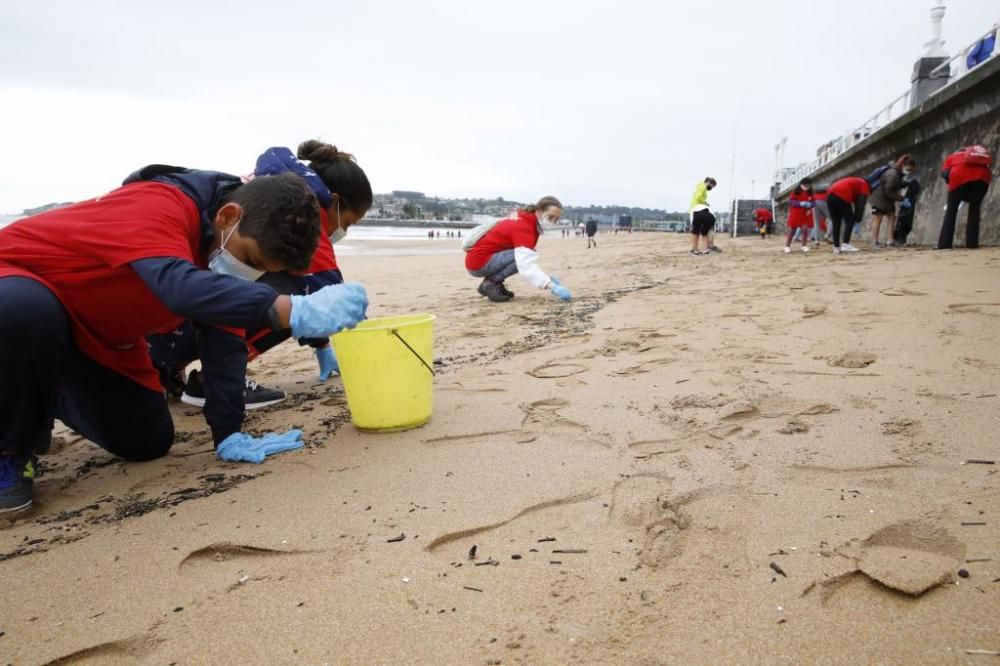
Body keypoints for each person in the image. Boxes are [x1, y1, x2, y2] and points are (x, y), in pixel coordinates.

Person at [0, 170, 369, 513]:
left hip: (101, 344)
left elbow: (224, 342)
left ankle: (39, 396)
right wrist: (286, 308)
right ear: (227, 217)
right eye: (251, 260)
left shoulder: (222, 249)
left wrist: (228, 432)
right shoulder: (157, 205)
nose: (251, 274)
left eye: (262, 272)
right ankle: (10, 449)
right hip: (17, 287)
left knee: (146, 441)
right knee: (22, 310)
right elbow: (179, 288)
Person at [150, 141, 374, 406]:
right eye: (346, 222)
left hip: (170, 298)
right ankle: (215, 376)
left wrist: (322, 345)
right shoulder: (306, 211)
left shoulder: (273, 187)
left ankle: (167, 366)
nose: (342, 231)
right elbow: (325, 293)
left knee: (285, 294)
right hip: (189, 300)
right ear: (334, 201)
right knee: (286, 299)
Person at [464, 196, 571, 303]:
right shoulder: (525, 226)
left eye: (556, 219)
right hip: (479, 262)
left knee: (526, 254)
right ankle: (491, 283)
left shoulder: (525, 217)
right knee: (522, 257)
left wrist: (547, 278)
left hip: (478, 259)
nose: (553, 222)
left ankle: (492, 283)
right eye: (550, 217)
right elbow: (526, 266)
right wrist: (551, 285)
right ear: (539, 211)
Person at [938, 145, 993, 249]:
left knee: (951, 211)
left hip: (959, 178)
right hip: (982, 179)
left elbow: (945, 173)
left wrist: (951, 183)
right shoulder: (978, 158)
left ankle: (944, 245)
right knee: (974, 210)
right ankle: (972, 244)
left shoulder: (952, 157)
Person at [869, 155, 915, 249]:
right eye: (908, 169)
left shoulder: (896, 172)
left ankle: (890, 241)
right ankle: (875, 241)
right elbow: (888, 190)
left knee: (892, 217)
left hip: (887, 198)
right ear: (903, 165)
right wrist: (902, 199)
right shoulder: (893, 173)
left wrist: (905, 183)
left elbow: (895, 184)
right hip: (879, 197)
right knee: (878, 218)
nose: (909, 172)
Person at [826, 175, 871, 255]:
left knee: (836, 222)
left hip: (830, 194)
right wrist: (857, 219)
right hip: (842, 194)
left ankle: (836, 247)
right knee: (850, 220)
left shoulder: (856, 182)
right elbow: (861, 204)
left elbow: (856, 201)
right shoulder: (865, 185)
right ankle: (846, 244)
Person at [689, 177, 718, 256]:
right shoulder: (702, 187)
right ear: (708, 182)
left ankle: (695, 250)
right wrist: (704, 203)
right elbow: (699, 197)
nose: (711, 188)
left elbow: (698, 197)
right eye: (712, 186)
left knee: (695, 232)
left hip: (697, 212)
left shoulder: (700, 187)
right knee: (704, 232)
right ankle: (706, 249)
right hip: (709, 215)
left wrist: (704, 202)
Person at [784, 178, 813, 254]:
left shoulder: (810, 192)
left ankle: (804, 245)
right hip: (796, 212)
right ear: (802, 184)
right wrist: (799, 203)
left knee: (805, 229)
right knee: (792, 230)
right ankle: (787, 246)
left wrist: (811, 205)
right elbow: (791, 202)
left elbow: (814, 202)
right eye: (805, 185)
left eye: (808, 185)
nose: (807, 186)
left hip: (805, 213)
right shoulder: (795, 191)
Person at [893, 170, 922, 246]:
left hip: (906, 207)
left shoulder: (910, 186)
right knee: (903, 224)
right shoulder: (911, 186)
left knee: (902, 224)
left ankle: (899, 240)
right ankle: (900, 240)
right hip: (907, 207)